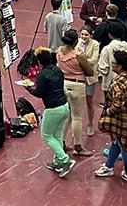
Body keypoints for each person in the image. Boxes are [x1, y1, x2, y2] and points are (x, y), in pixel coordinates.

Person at [94, 50, 127, 184]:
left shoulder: (118, 83)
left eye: (114, 63)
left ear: (120, 66)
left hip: (123, 119)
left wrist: (108, 111)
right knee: (116, 141)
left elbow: (117, 105)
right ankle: (109, 166)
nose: (112, 64)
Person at [26, 48, 76, 178]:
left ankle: (64, 159)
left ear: (40, 61)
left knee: (47, 136)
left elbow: (39, 93)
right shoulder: (57, 70)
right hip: (64, 106)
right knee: (57, 134)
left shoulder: (42, 74)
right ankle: (57, 161)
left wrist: (28, 89)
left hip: (53, 109)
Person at [57, 29, 95, 156]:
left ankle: (61, 142)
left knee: (67, 115)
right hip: (77, 85)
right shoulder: (79, 56)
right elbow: (90, 72)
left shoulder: (59, 52)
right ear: (75, 42)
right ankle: (78, 146)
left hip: (64, 84)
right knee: (77, 117)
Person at [98, 23, 127, 92]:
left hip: (109, 86)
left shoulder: (106, 49)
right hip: (126, 85)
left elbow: (103, 70)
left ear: (109, 34)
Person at [79, 27, 101, 137]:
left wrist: (82, 58)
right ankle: (76, 124)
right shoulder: (78, 43)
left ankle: (90, 124)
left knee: (89, 101)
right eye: (82, 34)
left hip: (90, 77)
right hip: (79, 76)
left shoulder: (95, 44)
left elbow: (94, 60)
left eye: (86, 34)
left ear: (90, 35)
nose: (83, 37)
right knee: (76, 101)